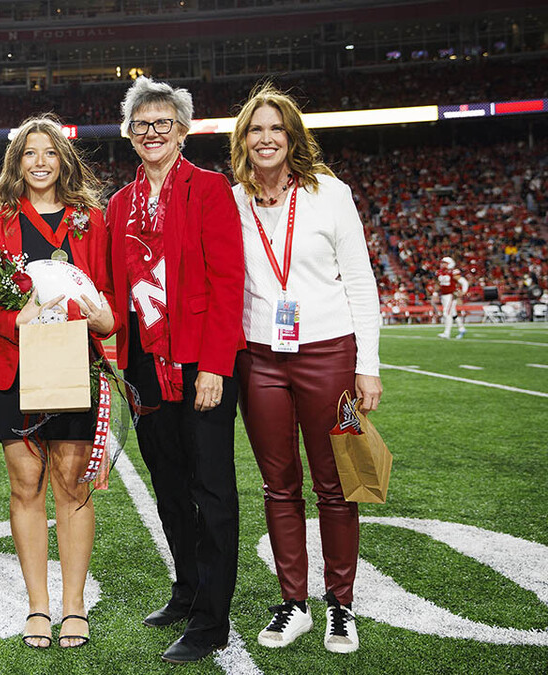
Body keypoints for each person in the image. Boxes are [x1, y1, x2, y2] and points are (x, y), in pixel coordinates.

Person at [229, 83, 382, 655]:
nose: (265, 138)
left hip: (330, 352)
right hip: (260, 357)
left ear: (292, 137)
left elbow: (362, 282)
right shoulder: (234, 199)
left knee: (338, 483)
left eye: (275, 128)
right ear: (243, 140)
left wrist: (367, 365)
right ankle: (294, 601)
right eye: (255, 129)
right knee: (279, 485)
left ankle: (340, 605)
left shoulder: (330, 193)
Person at [106, 77, 245, 664]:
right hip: (142, 361)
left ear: (183, 132)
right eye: (142, 125)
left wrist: (215, 366)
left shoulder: (211, 190)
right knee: (166, 483)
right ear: (129, 135)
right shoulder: (118, 204)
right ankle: (187, 590)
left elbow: (226, 283)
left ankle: (213, 619)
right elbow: (112, 293)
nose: (153, 133)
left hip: (198, 361)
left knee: (210, 489)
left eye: (164, 123)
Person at [0, 115, 115, 649]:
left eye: (49, 152)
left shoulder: (92, 221)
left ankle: (73, 607)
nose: (39, 162)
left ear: (64, 161)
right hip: (14, 366)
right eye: (29, 153)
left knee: (72, 486)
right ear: (17, 162)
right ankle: (38, 606)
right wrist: (16, 321)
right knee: (25, 486)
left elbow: (111, 296)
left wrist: (106, 320)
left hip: (76, 364)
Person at [436, 256, 468, 338]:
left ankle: (447, 333)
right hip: (443, 295)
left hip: (450, 295)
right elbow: (440, 284)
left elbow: (464, 282)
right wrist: (435, 293)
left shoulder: (453, 272)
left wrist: (463, 291)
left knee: (446, 313)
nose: (442, 264)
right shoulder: (440, 272)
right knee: (453, 314)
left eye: (444, 263)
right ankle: (461, 329)